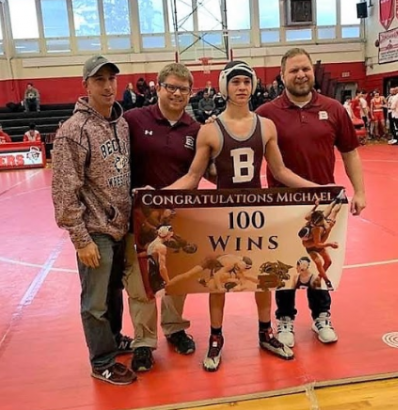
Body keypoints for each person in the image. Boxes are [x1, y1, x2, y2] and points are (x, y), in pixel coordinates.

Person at [166, 60, 320, 372]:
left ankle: (266, 331)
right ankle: (215, 337)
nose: (242, 88)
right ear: (225, 87)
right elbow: (194, 176)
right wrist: (158, 194)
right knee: (217, 280)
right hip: (223, 214)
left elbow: (280, 171)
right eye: (235, 82)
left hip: (256, 211)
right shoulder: (210, 130)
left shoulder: (266, 126)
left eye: (246, 82)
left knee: (263, 276)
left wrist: (319, 188)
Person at [255, 48, 366, 347]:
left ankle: (321, 316)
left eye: (305, 69)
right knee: (283, 265)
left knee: (318, 260)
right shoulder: (266, 114)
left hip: (322, 205)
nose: (301, 74)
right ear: (282, 75)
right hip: (281, 205)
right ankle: (285, 319)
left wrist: (360, 191)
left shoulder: (333, 109)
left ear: (312, 72)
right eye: (294, 70)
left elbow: (350, 153)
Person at [51, 55, 136, 385]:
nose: (107, 86)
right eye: (99, 80)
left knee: (115, 291)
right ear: (85, 85)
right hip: (94, 230)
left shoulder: (122, 123)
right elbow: (63, 190)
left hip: (120, 227)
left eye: (111, 79)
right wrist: (81, 238)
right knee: (95, 302)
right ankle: (101, 361)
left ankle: (112, 342)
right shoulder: (73, 131)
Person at [123, 63, 201, 373]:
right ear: (158, 87)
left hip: (178, 218)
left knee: (175, 279)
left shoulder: (195, 130)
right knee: (140, 282)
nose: (177, 93)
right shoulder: (133, 120)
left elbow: (201, 172)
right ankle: (143, 342)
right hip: (139, 218)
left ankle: (175, 328)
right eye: (171, 87)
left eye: (183, 89)